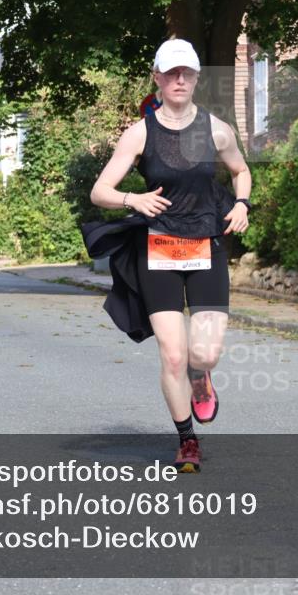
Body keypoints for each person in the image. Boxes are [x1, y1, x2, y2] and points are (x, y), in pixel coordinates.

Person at [87, 39, 252, 473]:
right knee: (173, 355)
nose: (179, 80)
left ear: (196, 79)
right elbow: (99, 191)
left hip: (204, 245)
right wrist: (132, 200)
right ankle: (187, 441)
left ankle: (202, 378)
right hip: (157, 249)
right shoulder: (140, 133)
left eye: (187, 73)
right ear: (157, 78)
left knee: (205, 353)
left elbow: (240, 170)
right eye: (171, 73)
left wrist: (241, 205)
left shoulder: (217, 129)